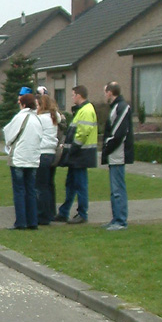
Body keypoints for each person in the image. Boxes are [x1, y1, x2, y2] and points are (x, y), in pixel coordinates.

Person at [54, 85, 98, 224]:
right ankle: (64, 212)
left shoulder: (86, 110)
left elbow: (82, 133)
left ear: (79, 95)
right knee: (71, 184)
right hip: (78, 153)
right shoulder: (82, 110)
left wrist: (73, 147)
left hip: (81, 153)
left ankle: (82, 213)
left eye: (73, 95)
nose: (72, 97)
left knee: (80, 184)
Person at [3, 91, 42, 229]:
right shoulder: (37, 119)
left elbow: (9, 134)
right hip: (33, 159)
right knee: (31, 190)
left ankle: (21, 222)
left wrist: (9, 145)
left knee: (19, 190)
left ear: (24, 104)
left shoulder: (20, 117)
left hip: (19, 158)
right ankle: (33, 221)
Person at [101, 81, 134, 230]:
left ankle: (120, 221)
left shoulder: (122, 107)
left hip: (118, 154)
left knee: (118, 189)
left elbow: (119, 133)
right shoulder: (116, 107)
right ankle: (116, 219)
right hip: (114, 154)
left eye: (105, 92)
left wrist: (107, 146)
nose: (104, 95)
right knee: (115, 190)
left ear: (110, 92)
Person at [35, 93, 61, 225]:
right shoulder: (54, 117)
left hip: (42, 152)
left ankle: (42, 215)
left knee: (40, 186)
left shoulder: (40, 119)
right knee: (49, 184)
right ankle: (51, 212)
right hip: (52, 153)